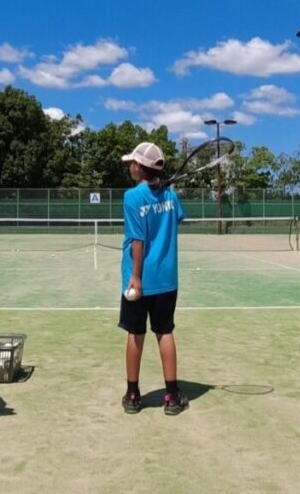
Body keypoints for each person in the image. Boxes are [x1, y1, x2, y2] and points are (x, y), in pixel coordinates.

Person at [118, 142, 189, 416]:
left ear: (138, 167)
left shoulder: (132, 197)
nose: (129, 166)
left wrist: (135, 277)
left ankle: (132, 395)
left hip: (138, 280)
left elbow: (137, 240)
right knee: (165, 332)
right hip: (167, 279)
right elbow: (176, 218)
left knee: (136, 334)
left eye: (131, 163)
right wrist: (163, 196)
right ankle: (172, 396)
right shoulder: (171, 195)